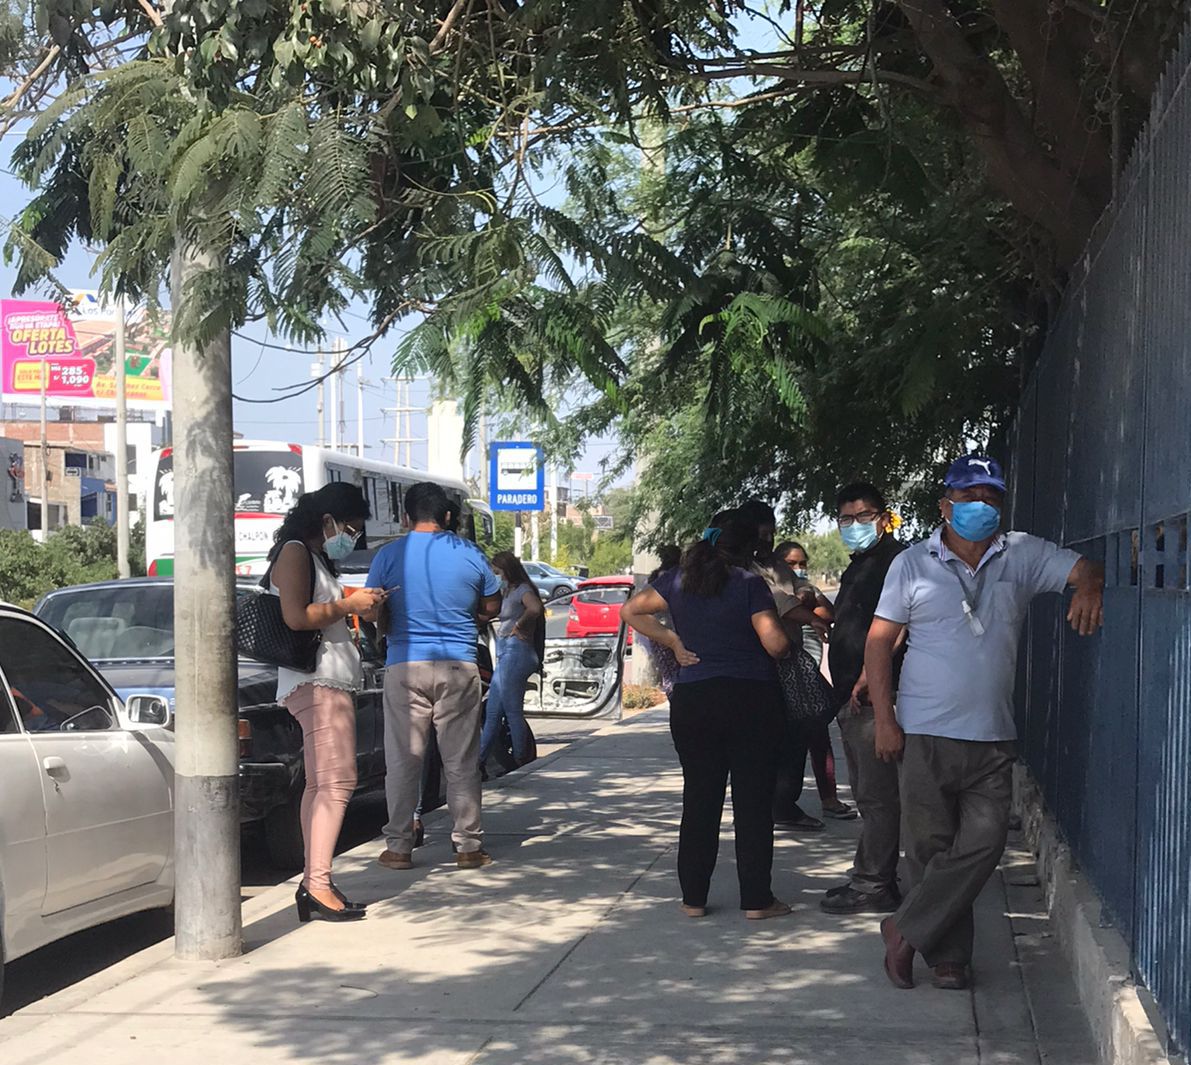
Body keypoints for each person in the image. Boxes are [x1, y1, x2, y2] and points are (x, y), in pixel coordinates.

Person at [868, 455, 1104, 991]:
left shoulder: (1021, 554)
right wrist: (885, 719)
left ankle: (903, 928)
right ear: (945, 505)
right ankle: (949, 958)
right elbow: (879, 642)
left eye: (991, 497)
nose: (981, 505)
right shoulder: (911, 563)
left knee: (984, 842)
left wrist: (1089, 588)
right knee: (929, 849)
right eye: (969, 496)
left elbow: (1084, 568)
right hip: (925, 729)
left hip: (992, 733)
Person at [621, 514, 793, 920]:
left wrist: (673, 640)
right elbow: (775, 644)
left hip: (694, 700)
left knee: (700, 799)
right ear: (750, 548)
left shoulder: (679, 580)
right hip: (750, 700)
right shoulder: (750, 584)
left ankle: (693, 898)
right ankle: (757, 900)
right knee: (752, 802)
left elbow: (631, 610)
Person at [367, 482, 502, 871]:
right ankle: (468, 847)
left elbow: (371, 608)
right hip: (458, 665)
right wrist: (467, 614)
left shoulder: (387, 555)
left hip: (404, 664)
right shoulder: (470, 553)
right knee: (460, 759)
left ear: (405, 517)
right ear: (446, 516)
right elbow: (492, 605)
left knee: (403, 760)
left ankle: (398, 847)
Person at [268, 482, 386, 922]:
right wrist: (348, 604)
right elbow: (297, 617)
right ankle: (317, 883)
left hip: (325, 681)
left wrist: (356, 604)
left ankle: (315, 880)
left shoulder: (312, 555)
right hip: (318, 682)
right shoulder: (296, 552)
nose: (351, 537)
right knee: (337, 783)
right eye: (350, 528)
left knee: (322, 784)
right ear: (328, 520)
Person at [813, 484, 906, 915]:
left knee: (878, 795)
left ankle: (874, 884)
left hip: (875, 697)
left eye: (864, 516)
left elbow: (900, 624)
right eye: (846, 519)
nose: (855, 525)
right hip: (852, 696)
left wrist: (870, 676)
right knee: (870, 794)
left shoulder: (895, 562)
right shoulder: (860, 565)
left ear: (884, 518)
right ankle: (873, 875)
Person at [736, 501, 837, 832]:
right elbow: (779, 603)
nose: (767, 541)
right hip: (762, 665)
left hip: (787, 662)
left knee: (799, 732)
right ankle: (777, 805)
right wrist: (808, 614)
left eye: (771, 534)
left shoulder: (777, 567)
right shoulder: (743, 570)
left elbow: (813, 598)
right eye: (761, 534)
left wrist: (807, 596)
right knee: (777, 738)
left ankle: (781, 803)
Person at [774, 539, 855, 823]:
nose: (798, 568)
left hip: (807, 671)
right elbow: (784, 610)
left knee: (818, 731)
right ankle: (781, 803)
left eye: (802, 563)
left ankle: (828, 798)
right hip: (786, 673)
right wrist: (801, 607)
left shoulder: (806, 588)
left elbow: (828, 612)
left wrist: (806, 604)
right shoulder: (772, 589)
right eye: (791, 563)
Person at [479, 551, 544, 769]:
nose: (496, 576)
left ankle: (520, 758)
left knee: (512, 709)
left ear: (507, 570)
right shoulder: (507, 592)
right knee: (493, 712)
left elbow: (535, 608)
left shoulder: (523, 590)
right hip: (506, 652)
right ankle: (479, 761)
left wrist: (519, 625)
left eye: (497, 571)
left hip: (517, 651)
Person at [637, 545, 682, 694]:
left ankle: (672, 694)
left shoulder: (654, 578)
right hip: (675, 630)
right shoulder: (677, 578)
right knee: (678, 669)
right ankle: (675, 694)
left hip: (656, 632)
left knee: (667, 671)